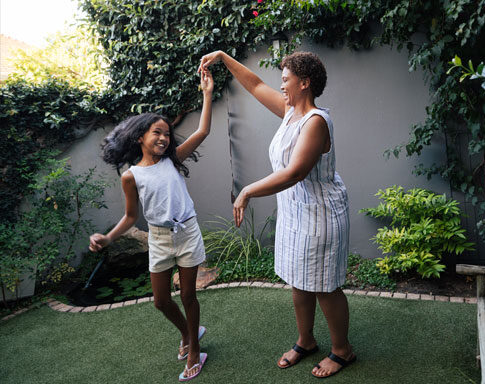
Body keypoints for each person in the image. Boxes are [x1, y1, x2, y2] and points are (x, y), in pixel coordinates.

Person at [198, 51, 355, 378]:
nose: (281, 85)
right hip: (296, 212)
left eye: (286, 80)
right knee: (299, 280)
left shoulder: (315, 122)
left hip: (320, 215)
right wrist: (224, 58)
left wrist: (247, 190)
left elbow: (295, 172)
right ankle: (306, 340)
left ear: (304, 82)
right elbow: (254, 85)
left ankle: (342, 350)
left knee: (324, 285)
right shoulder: (289, 112)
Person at [88, 69, 214, 381]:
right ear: (140, 137)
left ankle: (195, 348)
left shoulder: (172, 161)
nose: (163, 138)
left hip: (186, 232)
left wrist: (208, 94)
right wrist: (108, 239)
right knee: (160, 300)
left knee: (188, 296)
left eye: (167, 134)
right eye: (157, 132)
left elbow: (203, 131)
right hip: (159, 239)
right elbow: (131, 217)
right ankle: (189, 333)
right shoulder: (131, 176)